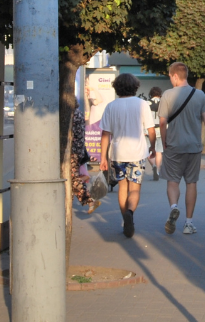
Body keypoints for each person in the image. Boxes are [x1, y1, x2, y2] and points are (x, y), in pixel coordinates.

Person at [158, 62, 205, 235]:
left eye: (170, 76)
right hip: (193, 146)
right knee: (191, 182)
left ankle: (174, 207)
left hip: (174, 145)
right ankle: (189, 223)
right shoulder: (199, 95)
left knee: (172, 180)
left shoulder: (167, 95)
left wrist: (164, 141)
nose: (170, 80)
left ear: (175, 76)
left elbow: (162, 122)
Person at [98, 74, 157, 238]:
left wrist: (103, 157)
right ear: (135, 87)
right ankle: (130, 213)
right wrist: (152, 147)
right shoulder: (142, 104)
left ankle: (125, 221)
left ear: (116, 87)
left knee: (122, 187)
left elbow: (105, 134)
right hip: (138, 153)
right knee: (135, 188)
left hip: (118, 153)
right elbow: (151, 130)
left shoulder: (111, 106)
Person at [69, 107, 98, 213]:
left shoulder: (71, 115)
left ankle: (90, 201)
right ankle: (89, 201)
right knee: (72, 179)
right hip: (77, 151)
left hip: (72, 151)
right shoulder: (79, 114)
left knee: (72, 179)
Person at [148, 86, 164, 180]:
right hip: (160, 129)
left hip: (148, 130)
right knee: (159, 151)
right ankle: (157, 170)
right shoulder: (163, 103)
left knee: (147, 151)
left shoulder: (146, 103)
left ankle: (153, 165)